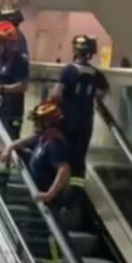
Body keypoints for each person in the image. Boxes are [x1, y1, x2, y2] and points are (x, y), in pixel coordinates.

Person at [0, 101, 72, 263]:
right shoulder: (42, 139)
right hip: (38, 197)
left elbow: (64, 170)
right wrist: (10, 148)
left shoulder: (55, 144)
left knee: (48, 232)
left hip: (48, 200)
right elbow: (23, 141)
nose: (35, 126)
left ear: (48, 123)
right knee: (35, 229)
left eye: (38, 122)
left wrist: (49, 194)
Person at [48, 35, 109, 196]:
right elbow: (104, 91)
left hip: (67, 121)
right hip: (86, 122)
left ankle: (58, 190)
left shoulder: (68, 70)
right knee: (79, 159)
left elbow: (56, 95)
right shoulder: (96, 74)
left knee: (63, 157)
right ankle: (75, 194)